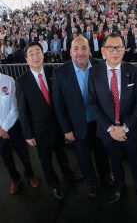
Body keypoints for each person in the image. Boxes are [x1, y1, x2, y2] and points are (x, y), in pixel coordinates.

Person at [88, 33, 137, 205]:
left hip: (130, 129)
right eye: (111, 47)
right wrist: (111, 128)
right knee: (114, 163)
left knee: (136, 162)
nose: (115, 51)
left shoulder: (133, 70)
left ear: (124, 50)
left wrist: (125, 127)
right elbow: (93, 103)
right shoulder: (94, 72)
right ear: (103, 51)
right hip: (107, 131)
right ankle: (119, 188)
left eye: (119, 47)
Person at [16, 42, 82, 201]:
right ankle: (54, 185)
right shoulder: (22, 81)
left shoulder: (53, 72)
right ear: (26, 59)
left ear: (43, 54)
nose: (35, 56)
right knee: (46, 161)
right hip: (39, 131)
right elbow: (22, 111)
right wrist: (28, 134)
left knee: (62, 155)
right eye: (31, 54)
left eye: (38, 52)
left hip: (58, 126)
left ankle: (68, 176)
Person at [52, 36, 112, 199]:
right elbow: (58, 105)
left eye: (84, 48)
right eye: (76, 48)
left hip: (101, 123)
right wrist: (66, 129)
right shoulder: (60, 73)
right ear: (70, 51)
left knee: (102, 153)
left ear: (90, 50)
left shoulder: (101, 65)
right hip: (78, 125)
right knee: (83, 157)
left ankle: (106, 176)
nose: (80, 52)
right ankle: (91, 183)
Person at [0, 69, 39, 194]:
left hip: (14, 126)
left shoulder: (8, 80)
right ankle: (15, 179)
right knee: (6, 158)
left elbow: (15, 108)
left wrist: (4, 128)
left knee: (23, 154)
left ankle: (30, 174)